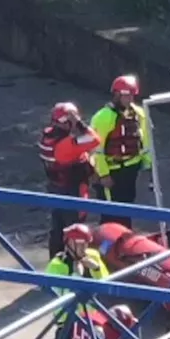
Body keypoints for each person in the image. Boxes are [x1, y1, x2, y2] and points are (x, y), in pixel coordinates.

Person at [46, 224, 110, 339]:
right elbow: (57, 295)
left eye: (86, 244)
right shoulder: (57, 265)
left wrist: (95, 269)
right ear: (69, 243)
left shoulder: (93, 256)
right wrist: (75, 276)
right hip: (68, 323)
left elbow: (107, 285)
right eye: (80, 244)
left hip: (92, 321)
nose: (84, 248)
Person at [39, 102, 102, 257]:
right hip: (72, 192)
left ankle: (54, 266)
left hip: (55, 189)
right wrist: (79, 123)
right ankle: (75, 264)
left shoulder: (47, 138)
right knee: (76, 232)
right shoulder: (65, 145)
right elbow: (95, 139)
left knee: (57, 230)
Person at [90, 75, 152, 227]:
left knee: (127, 209)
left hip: (131, 169)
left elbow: (145, 142)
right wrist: (103, 174)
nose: (129, 98)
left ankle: (125, 243)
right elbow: (96, 149)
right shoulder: (103, 117)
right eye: (126, 95)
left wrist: (149, 167)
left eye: (132, 95)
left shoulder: (140, 114)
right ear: (117, 94)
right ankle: (109, 246)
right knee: (110, 214)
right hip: (112, 171)